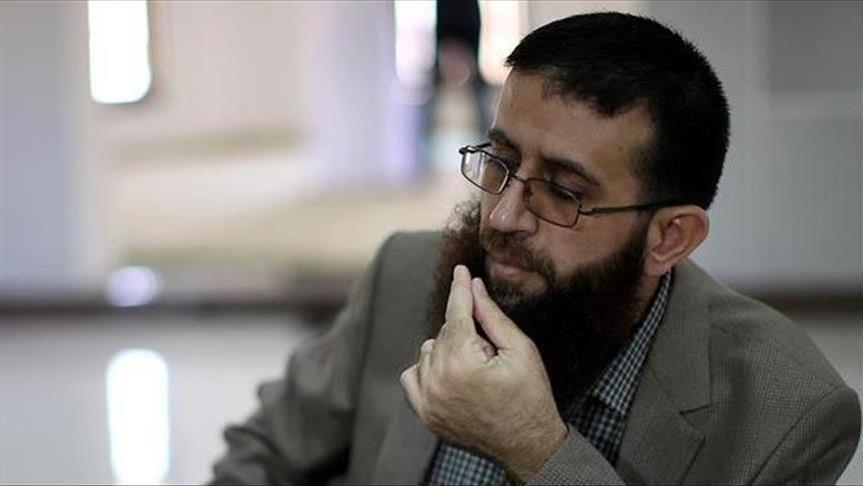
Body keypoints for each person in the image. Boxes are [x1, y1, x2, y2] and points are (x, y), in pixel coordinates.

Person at [211, 12, 860, 485]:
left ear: (669, 236)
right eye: (499, 161)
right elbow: (261, 455)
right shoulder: (407, 273)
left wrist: (538, 451)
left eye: (563, 192)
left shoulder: (788, 412)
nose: (501, 216)